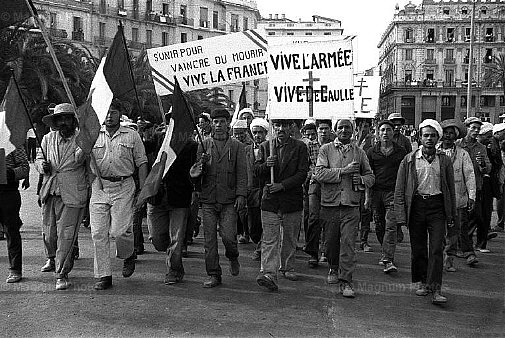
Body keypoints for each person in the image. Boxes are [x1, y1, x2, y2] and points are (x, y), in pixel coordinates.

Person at [394, 119, 456, 305]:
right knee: (419, 248)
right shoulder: (409, 159)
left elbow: (450, 189)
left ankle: (436, 288)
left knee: (436, 248)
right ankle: (422, 282)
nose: (429, 138)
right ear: (419, 137)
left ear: (438, 138)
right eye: (425, 135)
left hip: (437, 207)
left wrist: (451, 215)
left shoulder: (444, 160)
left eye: (433, 135)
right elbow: (399, 189)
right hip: (417, 207)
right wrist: (400, 217)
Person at [89, 99, 148, 290]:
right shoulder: (92, 135)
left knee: (120, 231)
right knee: (98, 233)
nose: (109, 116)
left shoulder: (131, 135)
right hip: (100, 186)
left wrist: (143, 190)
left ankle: (128, 253)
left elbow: (142, 162)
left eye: (113, 112)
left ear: (119, 114)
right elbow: (82, 158)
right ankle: (104, 275)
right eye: (106, 112)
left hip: (124, 186)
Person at [315, 119, 375, 298]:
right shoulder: (325, 150)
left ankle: (346, 280)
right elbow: (319, 174)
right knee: (331, 242)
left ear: (352, 130)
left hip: (351, 205)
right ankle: (333, 267)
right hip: (330, 204)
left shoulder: (360, 152)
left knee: (348, 243)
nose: (344, 130)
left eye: (347, 127)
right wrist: (344, 171)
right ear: (335, 130)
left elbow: (371, 176)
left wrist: (362, 181)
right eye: (340, 127)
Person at [190, 107, 246, 288]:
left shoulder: (237, 146)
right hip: (208, 199)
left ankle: (233, 256)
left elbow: (242, 174)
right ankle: (214, 273)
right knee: (209, 241)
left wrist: (241, 195)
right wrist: (202, 163)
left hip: (229, 199)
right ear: (211, 124)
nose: (219, 125)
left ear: (228, 124)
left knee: (229, 237)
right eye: (216, 122)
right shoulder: (204, 144)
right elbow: (195, 174)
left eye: (222, 121)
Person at [36, 103, 88, 290]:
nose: (63, 122)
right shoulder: (48, 138)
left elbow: (80, 159)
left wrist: (86, 141)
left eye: (67, 118)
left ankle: (62, 273)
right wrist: (42, 167)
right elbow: (39, 158)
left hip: (73, 194)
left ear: (73, 121)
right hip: (50, 191)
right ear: (55, 122)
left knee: (66, 235)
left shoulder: (81, 139)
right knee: (49, 234)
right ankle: (51, 258)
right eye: (60, 119)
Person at [254, 119, 309, 291]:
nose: (280, 129)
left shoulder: (300, 147)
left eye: (284, 125)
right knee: (270, 238)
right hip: (270, 200)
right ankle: (269, 272)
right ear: (273, 127)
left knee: (290, 237)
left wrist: (282, 185)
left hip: (291, 200)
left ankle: (287, 266)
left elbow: (302, 173)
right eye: (277, 125)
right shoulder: (264, 146)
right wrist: (266, 166)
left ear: (291, 127)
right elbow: (256, 171)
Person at [147, 126, 198, 285]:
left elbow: (195, 172)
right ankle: (172, 258)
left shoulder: (191, 145)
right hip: (156, 196)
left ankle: (174, 270)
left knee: (176, 239)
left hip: (179, 197)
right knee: (157, 240)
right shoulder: (157, 139)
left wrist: (196, 176)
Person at [366, 120, 407, 272]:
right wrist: (367, 197)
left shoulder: (401, 151)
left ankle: (388, 258)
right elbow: (368, 174)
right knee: (379, 225)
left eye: (388, 130)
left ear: (393, 132)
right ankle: (385, 251)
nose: (385, 133)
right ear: (378, 132)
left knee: (391, 225)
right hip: (376, 192)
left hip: (393, 193)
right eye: (382, 130)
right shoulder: (371, 151)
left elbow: (405, 174)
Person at [437, 119, 476, 271]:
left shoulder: (462, 154)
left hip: (457, 200)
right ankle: (437, 257)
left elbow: (470, 175)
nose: (448, 136)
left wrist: (471, 196)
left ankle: (449, 259)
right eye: (445, 133)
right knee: (438, 230)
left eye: (451, 133)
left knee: (454, 230)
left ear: (456, 136)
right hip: (438, 199)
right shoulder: (434, 150)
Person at [456, 117, 491, 259]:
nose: (476, 131)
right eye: (473, 128)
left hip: (475, 187)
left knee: (475, 216)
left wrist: (483, 164)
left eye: (478, 128)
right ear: (467, 128)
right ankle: (462, 247)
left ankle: (465, 244)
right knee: (460, 218)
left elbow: (488, 168)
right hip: (458, 187)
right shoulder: (458, 144)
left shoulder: (481, 147)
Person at [304, 119, 332, 267]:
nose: (323, 132)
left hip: (331, 187)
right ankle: (312, 253)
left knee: (328, 220)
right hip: (314, 185)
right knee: (313, 218)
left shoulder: (335, 146)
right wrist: (313, 173)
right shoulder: (310, 146)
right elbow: (306, 165)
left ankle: (325, 251)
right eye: (321, 129)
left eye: (326, 129)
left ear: (330, 130)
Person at [0, 147, 29, 283]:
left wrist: (8, 173)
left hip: (7, 192)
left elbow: (24, 168)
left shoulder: (13, 142)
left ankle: (15, 269)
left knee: (11, 231)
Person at [476, 122, 503, 252]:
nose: (489, 138)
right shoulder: (477, 147)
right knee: (475, 212)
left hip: (488, 181)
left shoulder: (491, 146)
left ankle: (482, 240)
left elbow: (493, 166)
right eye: (487, 136)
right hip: (476, 182)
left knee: (486, 211)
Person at [245, 118, 269, 261]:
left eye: (260, 132)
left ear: (266, 133)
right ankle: (257, 241)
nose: (257, 135)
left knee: (265, 220)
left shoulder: (270, 148)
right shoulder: (246, 149)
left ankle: (262, 247)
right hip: (251, 190)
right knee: (253, 224)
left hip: (266, 189)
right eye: (255, 132)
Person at [388, 113, 412, 244]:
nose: (397, 127)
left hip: (400, 176)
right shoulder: (381, 138)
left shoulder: (405, 141)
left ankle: (397, 227)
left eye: (399, 124)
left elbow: (409, 158)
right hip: (386, 177)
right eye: (394, 124)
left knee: (398, 203)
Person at [355, 118, 375, 253]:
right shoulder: (351, 142)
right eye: (361, 126)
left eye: (366, 126)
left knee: (366, 212)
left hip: (367, 182)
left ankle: (364, 241)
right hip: (353, 184)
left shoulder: (373, 142)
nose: (363, 129)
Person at [492, 123, 505, 233]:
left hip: (501, 175)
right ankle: (500, 223)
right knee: (500, 198)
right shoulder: (493, 144)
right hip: (500, 176)